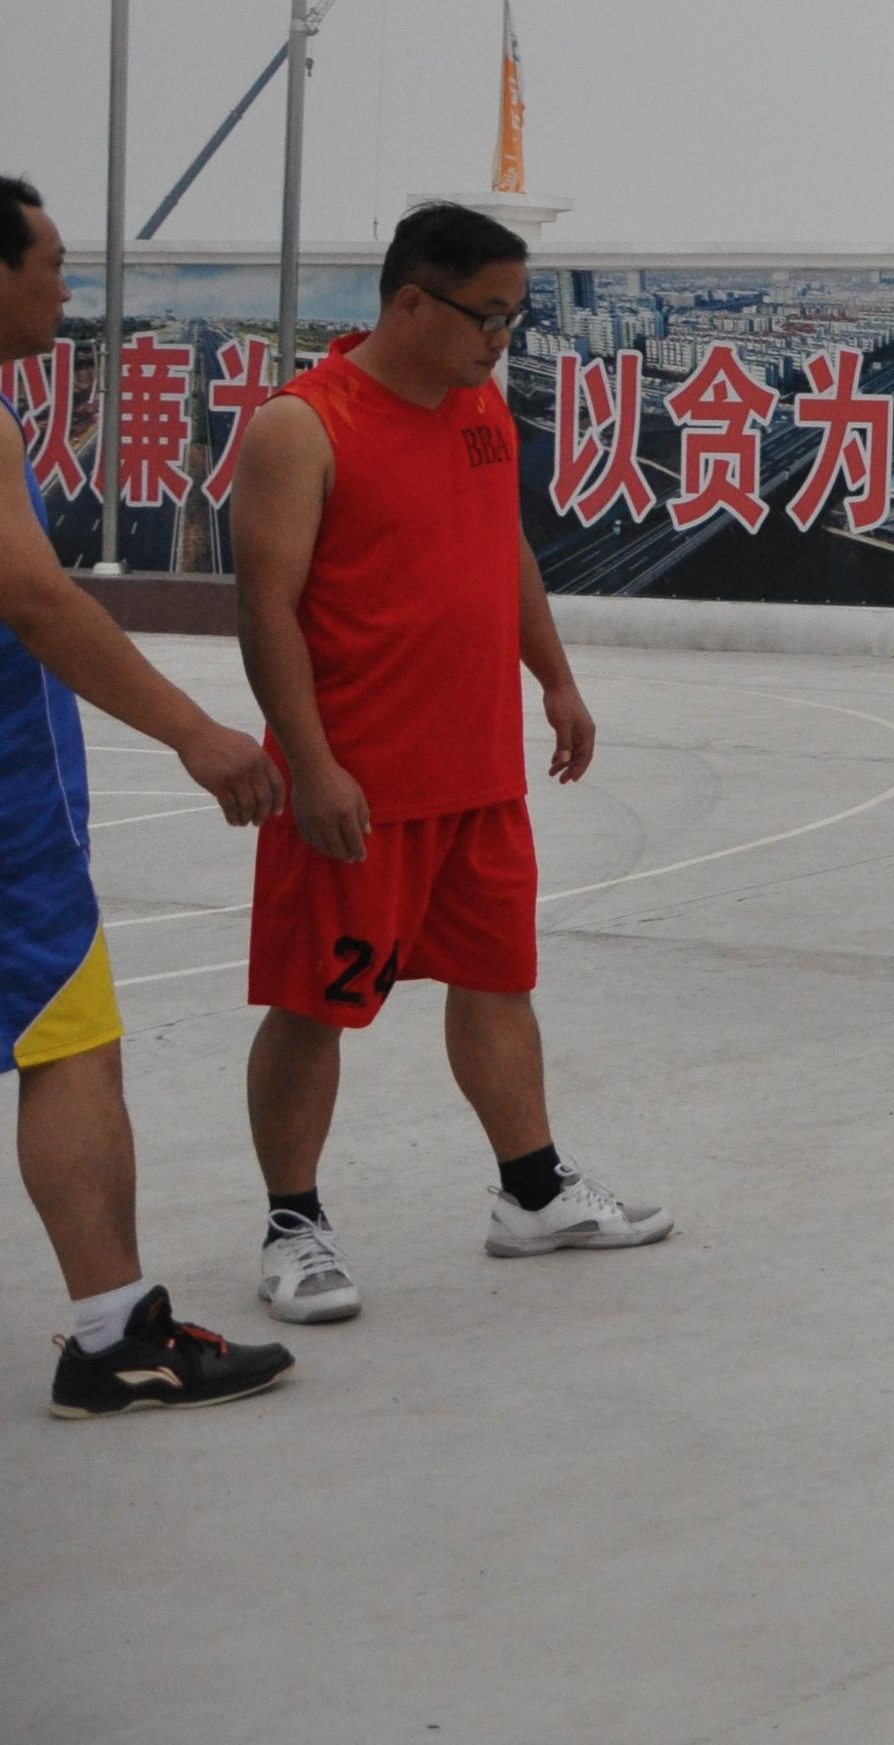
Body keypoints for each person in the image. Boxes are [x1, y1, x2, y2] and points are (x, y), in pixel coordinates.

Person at [225, 203, 662, 1330]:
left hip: (478, 777)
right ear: (412, 301)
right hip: (355, 789)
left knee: (498, 981)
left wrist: (554, 679)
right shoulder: (302, 426)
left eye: (515, 317)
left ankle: (533, 1192)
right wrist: (311, 765)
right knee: (313, 1004)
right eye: (488, 316)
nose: (502, 339)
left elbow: (502, 547)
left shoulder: (482, 409)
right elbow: (265, 608)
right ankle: (292, 1224)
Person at [0, 176, 297, 1414]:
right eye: (52, 263)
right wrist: (194, 731)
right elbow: (36, 596)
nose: (68, 288)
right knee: (68, 1038)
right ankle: (115, 1333)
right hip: (11, 816)